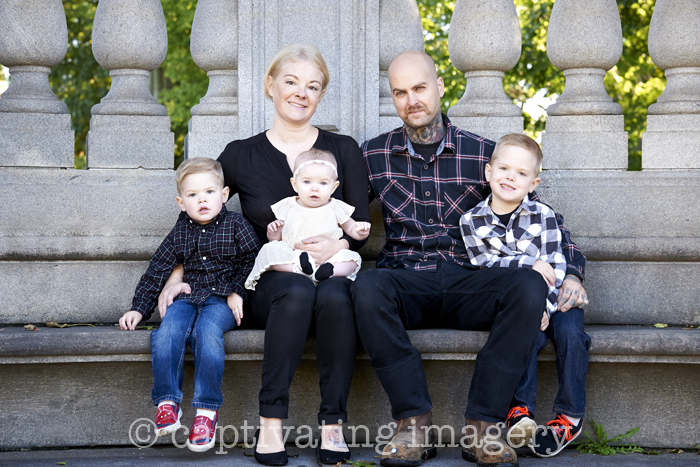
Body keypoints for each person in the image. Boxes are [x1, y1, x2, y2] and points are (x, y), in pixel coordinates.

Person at [352, 50, 589, 467]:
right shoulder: (373, 155)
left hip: (472, 280)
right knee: (368, 286)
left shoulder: (483, 153)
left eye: (420, 88)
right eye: (400, 92)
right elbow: (341, 215)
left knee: (528, 283)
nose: (412, 100)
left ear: (440, 87)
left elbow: (543, 218)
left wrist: (572, 270)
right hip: (408, 280)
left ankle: (483, 426)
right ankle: (413, 423)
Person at [158, 43, 370, 466]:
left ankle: (333, 426)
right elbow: (198, 209)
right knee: (292, 287)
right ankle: (270, 424)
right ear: (270, 86)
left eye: (312, 86)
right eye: (290, 82)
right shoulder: (240, 154)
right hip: (266, 286)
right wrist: (175, 272)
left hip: (329, 275)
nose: (300, 92)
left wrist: (339, 246)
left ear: (321, 95)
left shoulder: (343, 149)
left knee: (334, 294)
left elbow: (359, 227)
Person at [459, 134, 590, 457]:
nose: (510, 177)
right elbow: (485, 266)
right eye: (504, 168)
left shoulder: (543, 215)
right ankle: (521, 412)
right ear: (488, 172)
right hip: (519, 305)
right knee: (523, 334)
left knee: (573, 334)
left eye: (521, 173)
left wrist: (544, 305)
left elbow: (555, 268)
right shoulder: (471, 221)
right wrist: (528, 263)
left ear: (533, 183)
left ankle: (570, 417)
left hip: (555, 297)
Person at [119, 157, 261, 453]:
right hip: (187, 296)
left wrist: (237, 291)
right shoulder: (180, 231)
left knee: (206, 334)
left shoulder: (236, 225)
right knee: (167, 331)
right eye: (193, 195)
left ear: (223, 195)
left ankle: (206, 413)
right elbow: (158, 268)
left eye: (209, 192)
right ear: (181, 202)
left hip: (221, 299)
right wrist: (138, 308)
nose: (202, 200)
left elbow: (253, 259)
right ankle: (168, 403)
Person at [245, 148, 370, 289]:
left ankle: (328, 272)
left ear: (334, 187)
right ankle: (299, 268)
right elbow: (277, 239)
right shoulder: (288, 206)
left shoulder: (336, 207)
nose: (314, 188)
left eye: (323, 183)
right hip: (294, 256)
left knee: (352, 259)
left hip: (329, 258)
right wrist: (274, 233)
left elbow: (352, 229)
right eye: (307, 182)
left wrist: (360, 231)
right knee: (269, 249)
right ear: (294, 184)